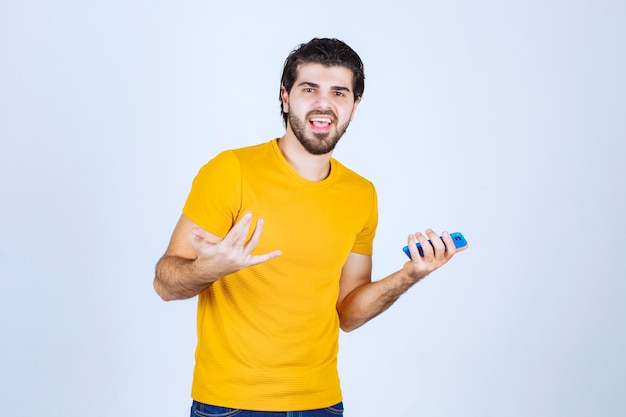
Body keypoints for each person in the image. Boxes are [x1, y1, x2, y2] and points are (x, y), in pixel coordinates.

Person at [153, 37, 467, 417]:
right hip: (232, 404)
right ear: (285, 98)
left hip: (322, 404)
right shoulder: (230, 171)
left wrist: (409, 275)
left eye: (339, 92)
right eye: (309, 89)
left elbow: (348, 313)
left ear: (354, 105)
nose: (324, 103)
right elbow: (165, 284)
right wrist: (209, 268)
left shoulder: (361, 194)